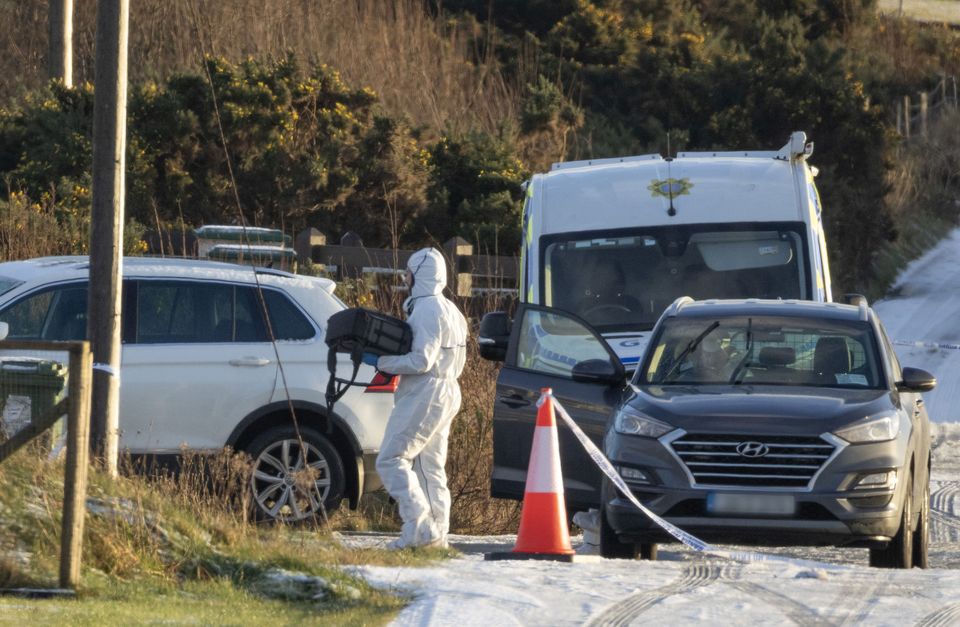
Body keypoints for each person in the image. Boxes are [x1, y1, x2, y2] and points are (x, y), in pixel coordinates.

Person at [362, 248, 469, 549]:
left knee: (391, 459)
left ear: (417, 275)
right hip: (448, 390)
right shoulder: (452, 309)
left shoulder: (427, 310)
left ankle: (418, 524)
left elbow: (421, 360)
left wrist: (382, 362)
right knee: (429, 466)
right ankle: (437, 534)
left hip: (427, 390)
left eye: (407, 273)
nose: (405, 279)